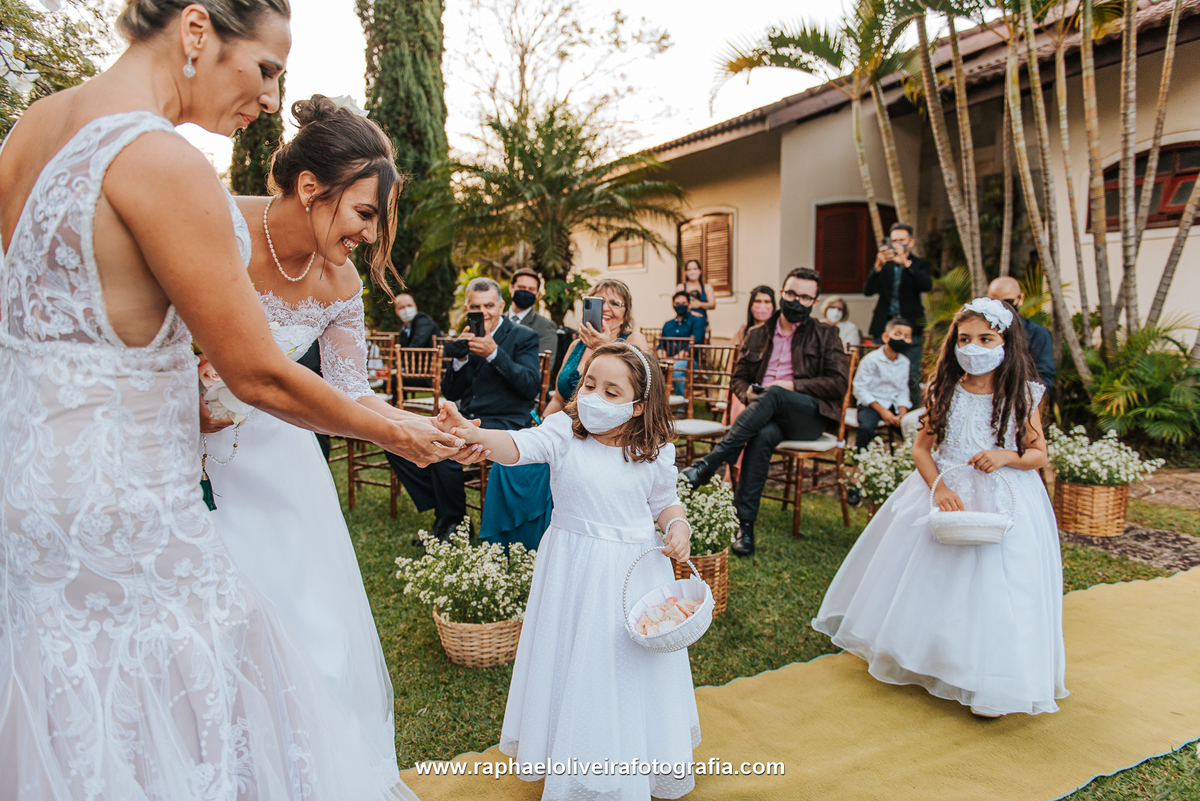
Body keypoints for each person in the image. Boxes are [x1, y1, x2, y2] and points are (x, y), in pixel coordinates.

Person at [0, 1, 465, 797]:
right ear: (194, 31)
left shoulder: (36, 125)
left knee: (72, 711)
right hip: (130, 508)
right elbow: (259, 374)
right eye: (264, 68)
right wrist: (405, 439)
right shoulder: (163, 161)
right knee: (218, 714)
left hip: (30, 488)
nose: (271, 100)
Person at [203, 95, 465, 781]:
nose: (371, 236)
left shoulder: (341, 279)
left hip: (280, 463)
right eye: (366, 213)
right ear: (312, 188)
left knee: (308, 633)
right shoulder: (218, 224)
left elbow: (352, 392)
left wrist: (422, 427)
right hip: (184, 455)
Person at [443, 341, 700, 801]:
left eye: (612, 391)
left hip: (633, 574)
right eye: (589, 385)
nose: (594, 397)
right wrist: (478, 436)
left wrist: (677, 525)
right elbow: (519, 444)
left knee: (624, 666)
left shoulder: (653, 449)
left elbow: (663, 500)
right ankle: (576, 756)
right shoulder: (564, 431)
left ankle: (630, 757)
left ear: (640, 406)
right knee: (574, 659)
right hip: (573, 570)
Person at [813, 298, 1066, 718]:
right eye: (965, 339)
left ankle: (992, 677)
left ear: (1006, 341)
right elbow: (921, 449)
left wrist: (1005, 456)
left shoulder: (1022, 393)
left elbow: (1038, 453)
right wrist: (940, 486)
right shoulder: (945, 389)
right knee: (933, 579)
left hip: (1004, 497)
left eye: (986, 338)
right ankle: (932, 657)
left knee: (995, 586)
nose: (974, 347)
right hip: (945, 491)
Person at [681, 268, 850, 556]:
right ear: (782, 292)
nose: (797, 301)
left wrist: (790, 385)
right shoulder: (757, 334)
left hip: (808, 416)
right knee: (762, 436)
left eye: (805, 297)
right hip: (767, 416)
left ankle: (711, 462)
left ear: (815, 301)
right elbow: (738, 379)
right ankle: (744, 527)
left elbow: (838, 384)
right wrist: (749, 393)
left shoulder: (826, 334)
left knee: (774, 393)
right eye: (792, 294)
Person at [388, 277, 541, 541]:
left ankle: (453, 524)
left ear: (502, 306)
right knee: (398, 439)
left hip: (507, 422)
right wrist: (459, 359)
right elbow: (452, 392)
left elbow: (530, 387)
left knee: (447, 446)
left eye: (489, 305)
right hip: (468, 418)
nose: (483, 312)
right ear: (467, 306)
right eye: (475, 306)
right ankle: (447, 513)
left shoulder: (523, 337)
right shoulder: (466, 336)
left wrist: (494, 353)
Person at [545, 278, 651, 415]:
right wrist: (541, 426)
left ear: (625, 315)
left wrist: (602, 347)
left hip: (608, 431)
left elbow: (640, 393)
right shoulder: (576, 345)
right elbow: (558, 400)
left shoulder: (634, 340)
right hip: (565, 427)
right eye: (599, 302)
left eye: (615, 303)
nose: (606, 308)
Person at [863, 222, 932, 395]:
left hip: (910, 328)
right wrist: (877, 266)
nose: (897, 244)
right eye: (894, 240)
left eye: (902, 240)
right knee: (879, 374)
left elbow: (926, 285)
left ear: (911, 242)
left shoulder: (920, 264)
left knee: (911, 375)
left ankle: (911, 416)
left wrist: (906, 264)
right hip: (884, 327)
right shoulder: (884, 264)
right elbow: (867, 291)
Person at [852, 317, 914, 451]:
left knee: (911, 428)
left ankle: (906, 462)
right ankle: (860, 459)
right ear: (886, 337)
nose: (902, 339)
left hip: (892, 404)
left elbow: (903, 389)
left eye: (907, 336)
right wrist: (883, 412)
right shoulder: (871, 360)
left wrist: (902, 412)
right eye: (897, 334)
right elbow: (860, 388)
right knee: (866, 428)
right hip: (871, 405)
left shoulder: (905, 362)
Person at [987, 276, 1055, 388]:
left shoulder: (1038, 333)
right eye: (997, 302)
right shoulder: (981, 332)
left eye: (1008, 301)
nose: (1004, 307)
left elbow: (1044, 379)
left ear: (1021, 299)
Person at [659, 289, 707, 395]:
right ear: (673, 305)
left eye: (683, 303)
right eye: (677, 303)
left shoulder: (697, 322)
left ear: (689, 305)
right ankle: (659, 405)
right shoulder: (668, 325)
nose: (680, 306)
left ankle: (682, 406)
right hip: (667, 361)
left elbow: (691, 348)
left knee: (675, 370)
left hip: (689, 362)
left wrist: (671, 361)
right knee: (652, 369)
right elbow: (661, 346)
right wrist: (662, 358)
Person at [508, 267, 559, 366]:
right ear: (511, 288)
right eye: (521, 287)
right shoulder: (497, 319)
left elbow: (542, 368)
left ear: (536, 294)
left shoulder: (545, 326)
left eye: (531, 289)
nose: (526, 292)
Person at [731, 285, 776, 358]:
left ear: (773, 305)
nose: (762, 306)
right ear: (751, 304)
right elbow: (731, 360)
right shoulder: (742, 332)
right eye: (758, 301)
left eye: (767, 302)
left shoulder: (778, 332)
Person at [676, 258, 716, 325]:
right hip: (685, 324)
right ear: (686, 272)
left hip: (702, 323)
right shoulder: (681, 287)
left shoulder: (707, 288)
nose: (692, 272)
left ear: (699, 271)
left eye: (695, 269)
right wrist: (692, 313)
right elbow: (677, 304)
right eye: (689, 269)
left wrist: (700, 304)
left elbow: (712, 305)